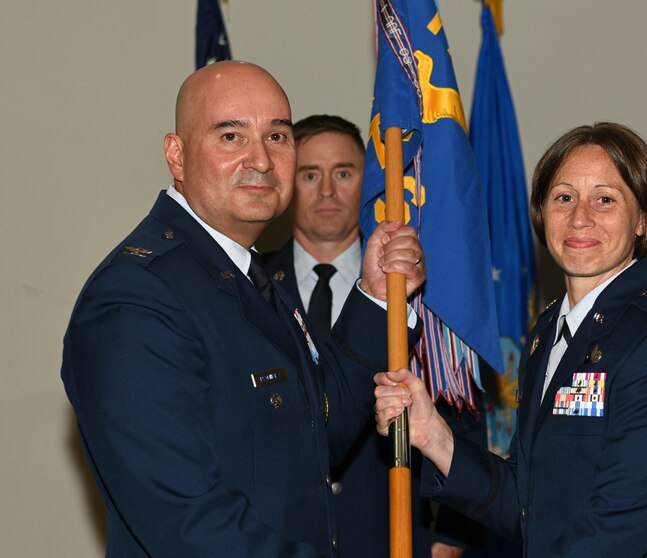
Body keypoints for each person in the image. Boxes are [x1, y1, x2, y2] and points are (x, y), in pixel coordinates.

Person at [60, 61, 426, 557]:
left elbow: (315, 433)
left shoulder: (241, 272)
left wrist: (375, 297)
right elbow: (188, 527)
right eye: (231, 136)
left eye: (277, 137)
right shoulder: (136, 298)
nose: (260, 159)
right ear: (177, 154)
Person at [375, 122, 647, 557]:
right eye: (564, 197)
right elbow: (527, 506)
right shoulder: (548, 332)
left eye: (605, 199)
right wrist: (433, 435)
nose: (580, 217)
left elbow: (614, 532)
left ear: (642, 220)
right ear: (542, 213)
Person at [265, 114, 486, 557]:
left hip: (393, 538)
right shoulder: (251, 288)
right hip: (280, 542)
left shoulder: (418, 288)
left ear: (370, 184)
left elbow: (460, 416)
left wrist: (452, 539)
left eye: (344, 173)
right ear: (287, 182)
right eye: (310, 174)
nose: (327, 191)